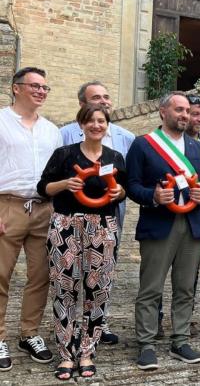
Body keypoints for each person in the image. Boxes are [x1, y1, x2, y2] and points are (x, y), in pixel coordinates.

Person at [127, 91, 200, 370]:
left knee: (185, 287)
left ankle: (180, 339)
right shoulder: (143, 145)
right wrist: (152, 196)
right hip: (158, 223)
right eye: (178, 110)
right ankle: (147, 343)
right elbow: (131, 185)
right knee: (151, 287)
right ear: (162, 112)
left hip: (192, 224)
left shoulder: (198, 148)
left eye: (187, 111)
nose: (184, 115)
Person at [38, 104, 126, 380]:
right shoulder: (64, 155)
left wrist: (120, 190)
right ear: (81, 124)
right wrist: (66, 184)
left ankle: (87, 351)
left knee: (97, 291)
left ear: (107, 125)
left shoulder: (115, 157)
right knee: (64, 289)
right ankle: (66, 354)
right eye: (90, 121)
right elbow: (43, 188)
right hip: (66, 224)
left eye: (101, 121)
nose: (96, 125)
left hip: (102, 227)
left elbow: (121, 191)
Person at [59, 80, 134, 344]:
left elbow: (126, 181)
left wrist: (121, 192)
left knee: (102, 270)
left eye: (106, 97)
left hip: (109, 215)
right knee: (71, 273)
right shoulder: (65, 136)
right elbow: (52, 176)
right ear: (82, 106)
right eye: (95, 98)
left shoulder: (126, 138)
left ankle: (99, 322)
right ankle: (70, 326)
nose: (102, 101)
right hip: (72, 215)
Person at [0, 67, 61, 372]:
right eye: (35, 86)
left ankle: (29, 333)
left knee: (41, 275)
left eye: (45, 88)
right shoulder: (0, 121)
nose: (41, 91)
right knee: (1, 275)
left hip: (43, 208)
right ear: (16, 88)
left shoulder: (52, 130)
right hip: (7, 205)